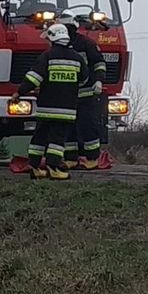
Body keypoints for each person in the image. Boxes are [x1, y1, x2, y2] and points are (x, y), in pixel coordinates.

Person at [11, 24, 87, 180]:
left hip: (45, 108)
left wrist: (19, 93)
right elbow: (84, 80)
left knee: (39, 137)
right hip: (66, 109)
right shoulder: (78, 59)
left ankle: (34, 166)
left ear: (52, 38)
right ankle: (54, 168)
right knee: (57, 141)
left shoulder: (47, 56)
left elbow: (33, 79)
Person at [58, 10, 106, 170]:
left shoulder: (86, 43)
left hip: (86, 94)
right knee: (68, 127)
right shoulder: (58, 45)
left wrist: (98, 81)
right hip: (66, 95)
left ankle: (92, 158)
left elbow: (99, 63)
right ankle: (70, 158)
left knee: (88, 126)